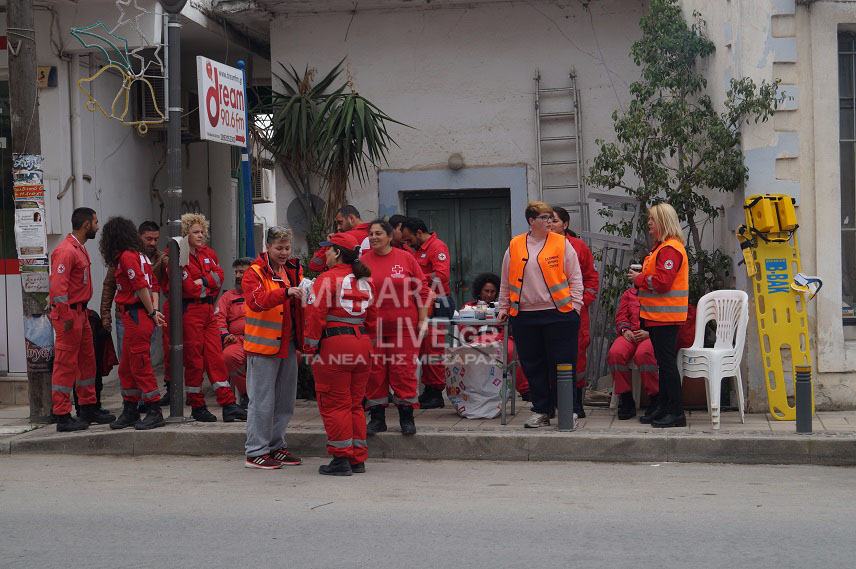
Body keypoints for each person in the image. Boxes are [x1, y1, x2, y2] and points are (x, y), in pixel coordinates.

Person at [498, 201, 583, 429]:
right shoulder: (515, 245)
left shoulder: (562, 243)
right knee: (533, 365)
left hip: (559, 314)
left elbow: (575, 277)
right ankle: (541, 410)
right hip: (525, 315)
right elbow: (506, 280)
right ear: (531, 221)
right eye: (544, 218)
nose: (548, 222)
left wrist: (575, 307)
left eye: (550, 218)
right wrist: (503, 307)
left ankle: (569, 409)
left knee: (563, 364)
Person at [161, 213, 247, 423]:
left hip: (207, 311)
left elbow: (220, 277)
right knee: (194, 360)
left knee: (215, 358)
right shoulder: (177, 254)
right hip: (189, 312)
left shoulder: (209, 253)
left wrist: (202, 282)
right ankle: (197, 405)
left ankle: (228, 405)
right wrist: (205, 283)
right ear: (185, 234)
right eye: (195, 232)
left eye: (202, 232)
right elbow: (188, 289)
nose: (200, 235)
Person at [303, 232, 377, 476]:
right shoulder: (366, 280)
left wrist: (310, 347)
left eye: (327, 249)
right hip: (362, 344)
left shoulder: (326, 279)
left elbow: (315, 316)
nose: (324, 253)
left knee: (335, 405)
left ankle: (340, 459)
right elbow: (374, 320)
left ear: (337, 253)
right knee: (355, 404)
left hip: (335, 345)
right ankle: (357, 458)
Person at [242, 226, 306, 470]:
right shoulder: (254, 273)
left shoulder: (291, 270)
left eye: (287, 248)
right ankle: (255, 451)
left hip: (287, 344)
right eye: (279, 248)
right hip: (263, 347)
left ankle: (276, 446)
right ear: (267, 247)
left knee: (284, 401)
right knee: (261, 401)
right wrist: (286, 292)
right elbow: (256, 302)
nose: (284, 252)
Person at [360, 219, 431, 436]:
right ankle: (378, 419)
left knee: (404, 372)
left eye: (378, 233)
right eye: (371, 233)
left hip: (405, 328)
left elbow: (423, 290)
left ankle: (406, 418)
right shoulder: (363, 262)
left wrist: (423, 319)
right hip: (374, 329)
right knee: (375, 373)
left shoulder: (406, 258)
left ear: (390, 236)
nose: (373, 237)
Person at [99, 216, 167, 430]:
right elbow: (153, 285)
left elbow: (140, 287)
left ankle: (154, 410)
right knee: (127, 367)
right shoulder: (140, 256)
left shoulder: (128, 257)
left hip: (136, 315)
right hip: (137, 316)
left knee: (139, 365)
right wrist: (153, 310)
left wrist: (152, 311)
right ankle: (130, 410)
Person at [49, 207, 114, 431]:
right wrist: (66, 317)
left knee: (87, 362)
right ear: (86, 224)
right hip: (69, 315)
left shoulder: (79, 248)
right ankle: (62, 415)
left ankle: (88, 408)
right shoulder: (66, 250)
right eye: (95, 222)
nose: (97, 225)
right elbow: (58, 288)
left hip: (81, 313)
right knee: (65, 365)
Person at [627, 202, 690, 428]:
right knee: (664, 365)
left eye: (652, 220)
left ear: (662, 222)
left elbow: (663, 283)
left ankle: (676, 412)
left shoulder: (670, 249)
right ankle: (664, 407)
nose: (649, 224)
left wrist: (639, 279)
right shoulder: (662, 248)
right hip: (657, 317)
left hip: (666, 318)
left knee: (667, 365)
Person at [608, 287, 697, 419]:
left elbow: (664, 319)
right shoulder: (629, 294)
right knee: (615, 353)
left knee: (644, 354)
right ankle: (625, 398)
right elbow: (621, 316)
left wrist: (650, 332)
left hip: (651, 335)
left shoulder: (660, 294)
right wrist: (625, 330)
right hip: (631, 334)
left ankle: (655, 398)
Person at [401, 217, 454, 409]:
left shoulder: (436, 247)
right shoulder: (418, 251)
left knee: (434, 348)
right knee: (424, 348)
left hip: (438, 303)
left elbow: (442, 275)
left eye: (409, 240)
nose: (407, 244)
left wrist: (418, 278)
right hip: (424, 304)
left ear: (419, 233)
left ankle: (436, 392)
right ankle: (429, 390)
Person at [550, 206, 599, 418]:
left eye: (554, 220)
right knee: (550, 356)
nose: (550, 224)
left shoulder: (579, 247)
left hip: (575, 312)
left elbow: (591, 279)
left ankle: (576, 404)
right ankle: (553, 404)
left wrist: (581, 302)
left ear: (565, 224)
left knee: (577, 356)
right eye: (547, 220)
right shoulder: (538, 246)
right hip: (548, 312)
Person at [214, 258, 253, 409]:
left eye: (242, 272)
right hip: (237, 340)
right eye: (236, 272)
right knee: (228, 357)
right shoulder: (228, 297)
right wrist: (225, 336)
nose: (238, 275)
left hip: (260, 339)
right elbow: (218, 320)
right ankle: (246, 395)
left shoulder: (263, 292)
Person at [308, 205, 371, 273]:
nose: (338, 228)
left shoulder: (345, 237)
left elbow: (314, 265)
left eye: (340, 222)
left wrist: (329, 243)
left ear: (351, 218)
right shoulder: (376, 234)